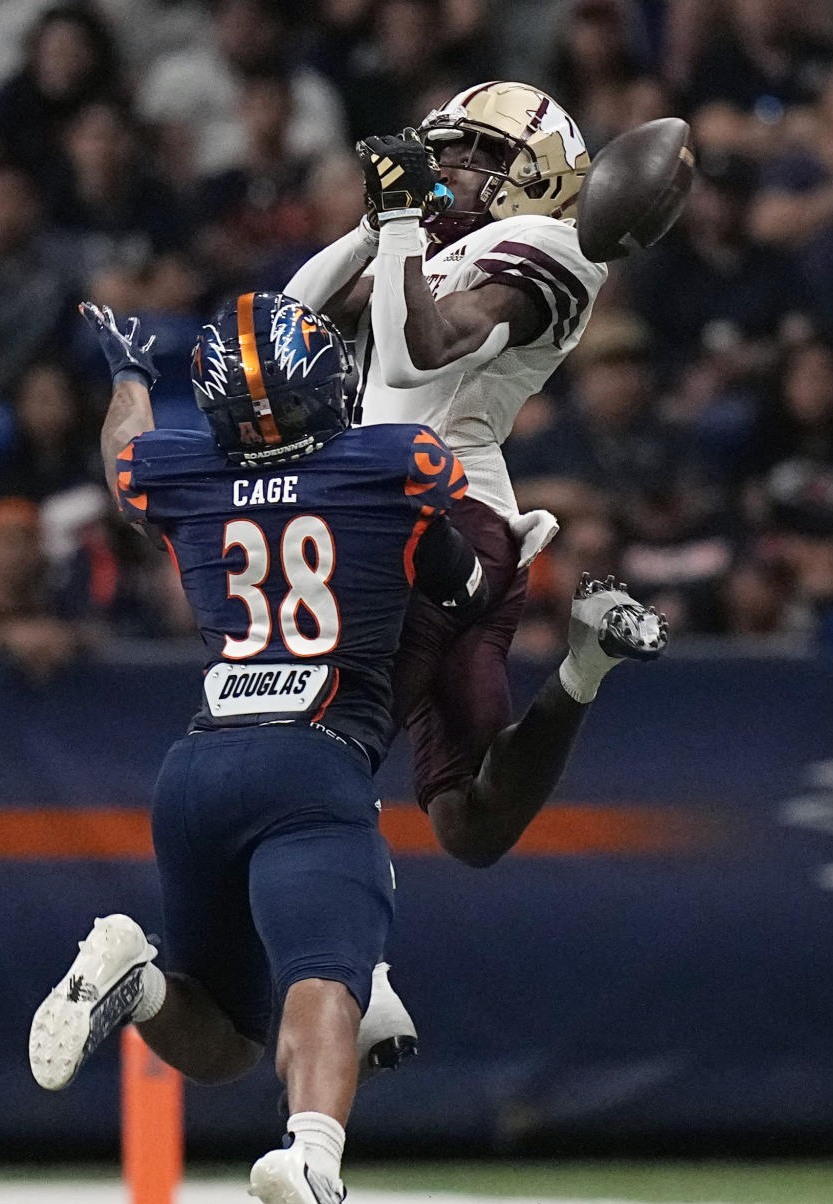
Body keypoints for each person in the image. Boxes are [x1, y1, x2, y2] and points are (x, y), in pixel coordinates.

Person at [28, 290, 489, 1204]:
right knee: (330, 980)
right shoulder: (391, 466)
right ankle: (314, 1157)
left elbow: (124, 460)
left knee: (225, 1041)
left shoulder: (181, 475)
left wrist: (128, 376)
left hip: (196, 769)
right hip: (313, 765)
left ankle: (134, 979)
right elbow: (462, 593)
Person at [286, 80, 669, 869]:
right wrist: (373, 227)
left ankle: (328, 964)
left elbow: (414, 351)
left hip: (438, 520)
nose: (450, 164)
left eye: (479, 152)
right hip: (418, 518)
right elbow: (288, 319)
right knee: (471, 823)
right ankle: (586, 663)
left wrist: (395, 227)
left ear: (543, 174)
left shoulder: (549, 243)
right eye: (445, 148)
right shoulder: (418, 250)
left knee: (315, 750)